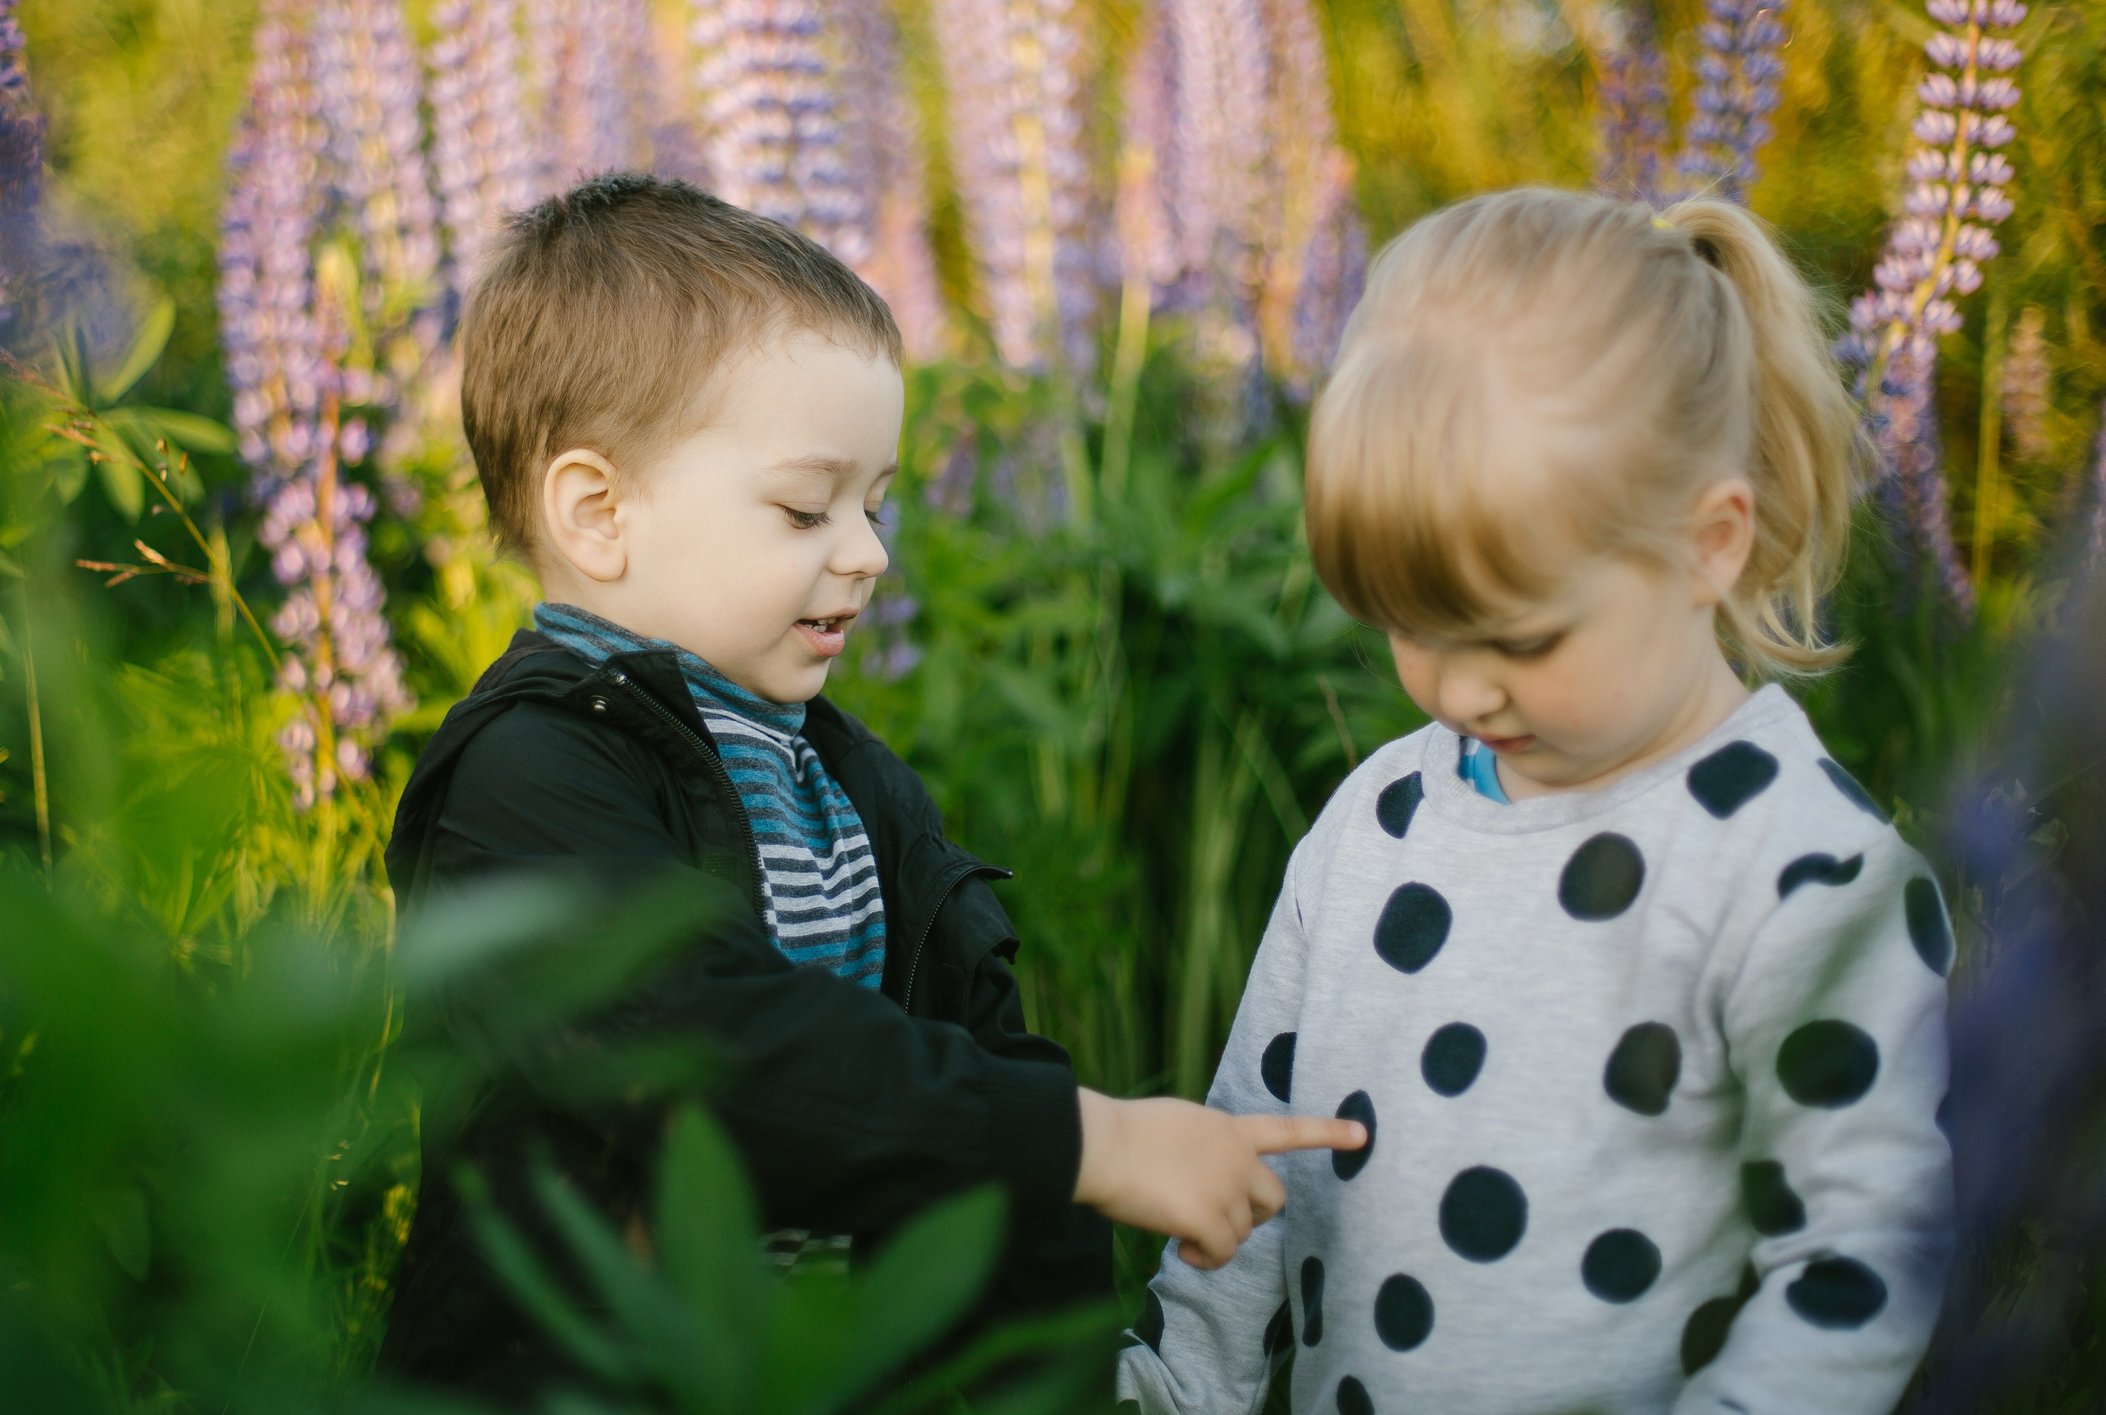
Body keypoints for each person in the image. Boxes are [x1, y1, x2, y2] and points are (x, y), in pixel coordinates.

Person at [382, 174, 1364, 1393]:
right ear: (597, 513)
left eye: (877, 504)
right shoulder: (526, 774)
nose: (868, 554)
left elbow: (975, 1089)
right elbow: (705, 1053)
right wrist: (1087, 1138)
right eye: (807, 509)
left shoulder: (848, 786)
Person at [1118, 189, 1954, 1415]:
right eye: (1413, 625)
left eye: (1517, 637)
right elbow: (1248, 1172)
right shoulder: (1375, 822)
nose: (1459, 691)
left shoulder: (1802, 872)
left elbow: (1860, 1261)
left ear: (1709, 543)